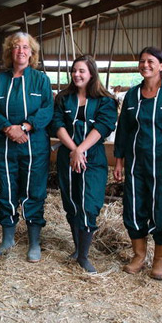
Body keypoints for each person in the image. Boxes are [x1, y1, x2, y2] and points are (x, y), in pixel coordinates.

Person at [113, 46, 162, 280]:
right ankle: (138, 256)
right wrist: (118, 162)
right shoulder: (132, 96)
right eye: (142, 61)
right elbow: (123, 131)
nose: (145, 65)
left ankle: (160, 260)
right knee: (134, 207)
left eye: (151, 61)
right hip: (136, 164)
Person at [0, 32, 53, 262]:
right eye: (16, 47)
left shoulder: (40, 80)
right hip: (4, 146)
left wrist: (24, 127)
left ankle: (34, 242)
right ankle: (7, 239)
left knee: (34, 192)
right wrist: (8, 128)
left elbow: (47, 109)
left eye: (25, 47)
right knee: (6, 191)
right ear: (9, 52)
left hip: (34, 147)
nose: (21, 51)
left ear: (32, 53)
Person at [51, 56, 118, 272]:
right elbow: (57, 124)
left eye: (82, 71)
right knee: (71, 202)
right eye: (74, 71)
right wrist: (73, 149)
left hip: (93, 158)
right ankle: (78, 249)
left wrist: (81, 150)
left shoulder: (105, 100)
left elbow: (103, 126)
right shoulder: (63, 98)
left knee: (89, 204)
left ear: (91, 74)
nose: (77, 75)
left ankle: (84, 256)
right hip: (68, 157)